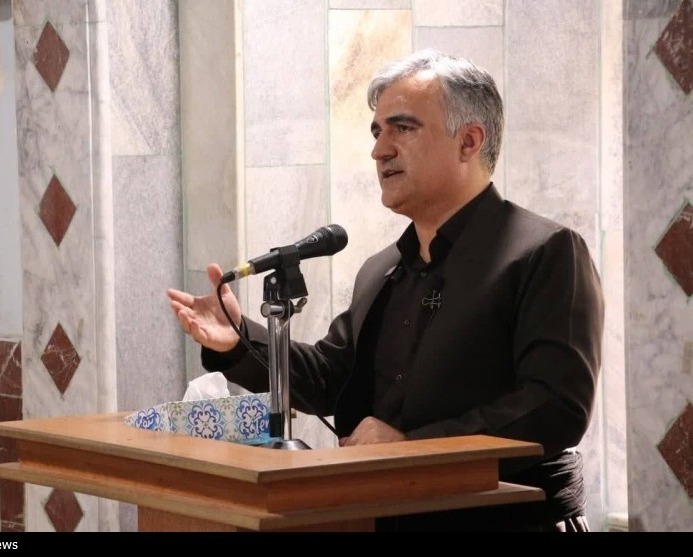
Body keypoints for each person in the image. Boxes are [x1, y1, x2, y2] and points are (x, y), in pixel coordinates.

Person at [167, 49, 604, 532]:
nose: (379, 150)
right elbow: (331, 378)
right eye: (377, 132)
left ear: (469, 141)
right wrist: (239, 338)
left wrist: (412, 447)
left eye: (403, 128)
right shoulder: (382, 269)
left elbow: (555, 406)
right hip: (386, 516)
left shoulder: (545, 252)